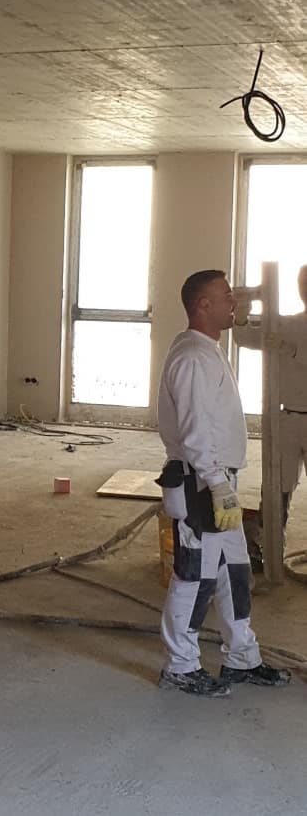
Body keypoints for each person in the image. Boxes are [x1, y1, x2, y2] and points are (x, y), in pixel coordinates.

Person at [155, 269, 290, 696]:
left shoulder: (206, 349)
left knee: (234, 573)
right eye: (227, 296)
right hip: (200, 483)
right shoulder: (193, 357)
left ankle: (241, 658)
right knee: (194, 577)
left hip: (217, 482)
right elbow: (195, 430)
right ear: (203, 305)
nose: (235, 302)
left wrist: (224, 484)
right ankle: (180, 666)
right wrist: (216, 484)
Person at [234, 264, 307, 569]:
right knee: (278, 487)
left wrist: (292, 350)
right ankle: (270, 552)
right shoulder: (288, 323)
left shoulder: (289, 332)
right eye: (304, 284)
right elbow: (245, 338)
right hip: (287, 417)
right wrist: (241, 314)